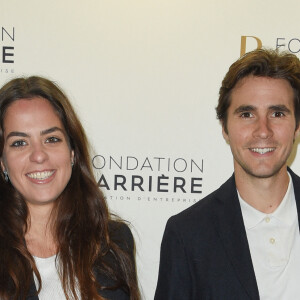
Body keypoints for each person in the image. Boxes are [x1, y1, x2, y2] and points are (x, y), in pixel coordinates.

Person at [155, 48, 300, 299]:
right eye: (247, 114)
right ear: (224, 127)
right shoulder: (187, 234)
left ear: (297, 126)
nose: (263, 130)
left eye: (277, 113)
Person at [0, 76, 140, 300]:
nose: (38, 155)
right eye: (19, 143)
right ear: (2, 161)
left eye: (52, 139)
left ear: (72, 151)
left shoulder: (113, 242)